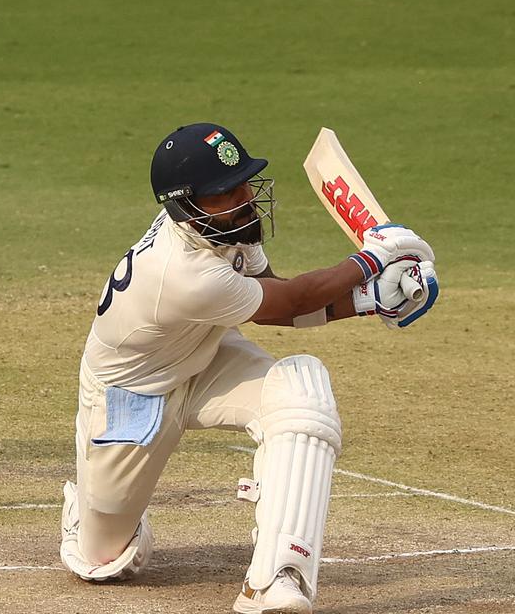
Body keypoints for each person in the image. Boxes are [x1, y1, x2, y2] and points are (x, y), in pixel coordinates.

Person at [59, 123, 438, 613]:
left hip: (207, 352)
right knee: (107, 560)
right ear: (187, 205)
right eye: (225, 191)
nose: (245, 197)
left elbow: (278, 304)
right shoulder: (183, 275)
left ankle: (278, 577)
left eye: (244, 182)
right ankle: (86, 514)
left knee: (302, 392)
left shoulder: (228, 229)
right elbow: (296, 297)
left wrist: (370, 300)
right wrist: (371, 259)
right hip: (132, 392)